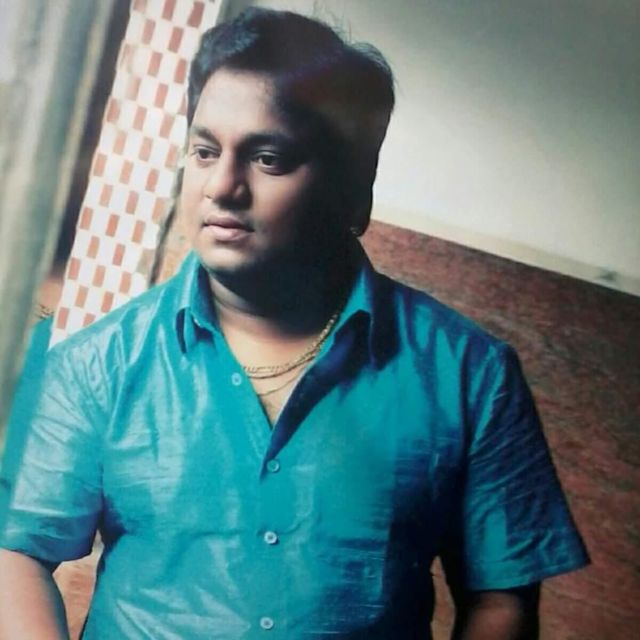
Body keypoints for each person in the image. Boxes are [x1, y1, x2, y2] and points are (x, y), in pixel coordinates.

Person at [0, 8, 588, 639]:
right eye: (205, 151)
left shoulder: (471, 376)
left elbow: (501, 599)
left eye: (268, 158)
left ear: (352, 186)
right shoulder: (94, 362)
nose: (222, 186)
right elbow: (16, 555)